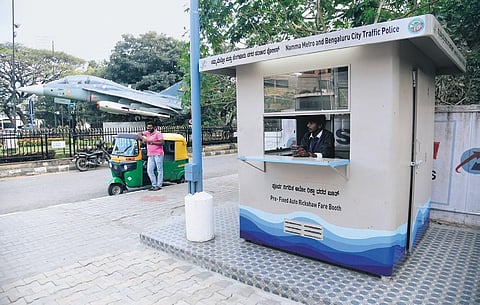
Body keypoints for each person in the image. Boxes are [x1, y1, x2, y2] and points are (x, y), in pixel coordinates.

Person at [138, 122, 164, 191]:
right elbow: (139, 133)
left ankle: (159, 185)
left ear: (154, 127)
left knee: (159, 170)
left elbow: (162, 143)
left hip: (158, 154)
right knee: (149, 170)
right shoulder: (147, 133)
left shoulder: (158, 133)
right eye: (148, 127)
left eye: (150, 127)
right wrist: (143, 138)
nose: (148, 129)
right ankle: (154, 185)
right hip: (150, 154)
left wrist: (151, 142)